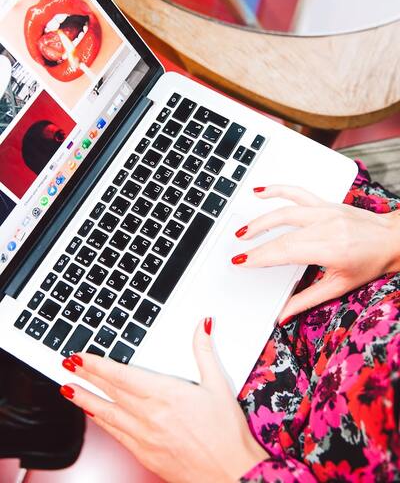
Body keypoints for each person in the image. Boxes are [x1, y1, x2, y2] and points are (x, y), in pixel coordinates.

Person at [60, 162, 400, 482]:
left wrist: (234, 469)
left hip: (270, 429)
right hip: (357, 245)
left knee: (86, 312)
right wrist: (390, 235)